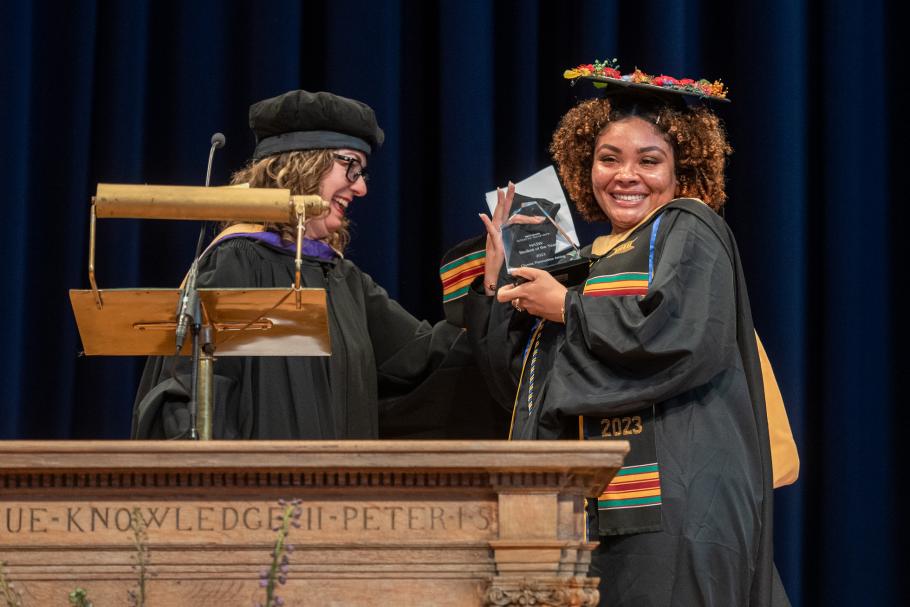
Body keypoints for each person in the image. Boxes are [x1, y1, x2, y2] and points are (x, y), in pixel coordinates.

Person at [465, 67, 790, 606]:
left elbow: (676, 339)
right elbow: (526, 392)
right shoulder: (586, 262)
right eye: (608, 158)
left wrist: (566, 307)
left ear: (682, 169)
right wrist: (500, 281)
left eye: (648, 160)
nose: (625, 175)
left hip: (677, 500)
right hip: (604, 508)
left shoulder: (691, 225)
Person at [133, 89, 506, 440]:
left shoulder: (342, 279)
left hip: (340, 499)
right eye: (351, 167)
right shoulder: (236, 261)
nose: (361, 188)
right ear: (303, 164)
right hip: (256, 500)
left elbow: (427, 362)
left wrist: (492, 288)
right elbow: (192, 400)